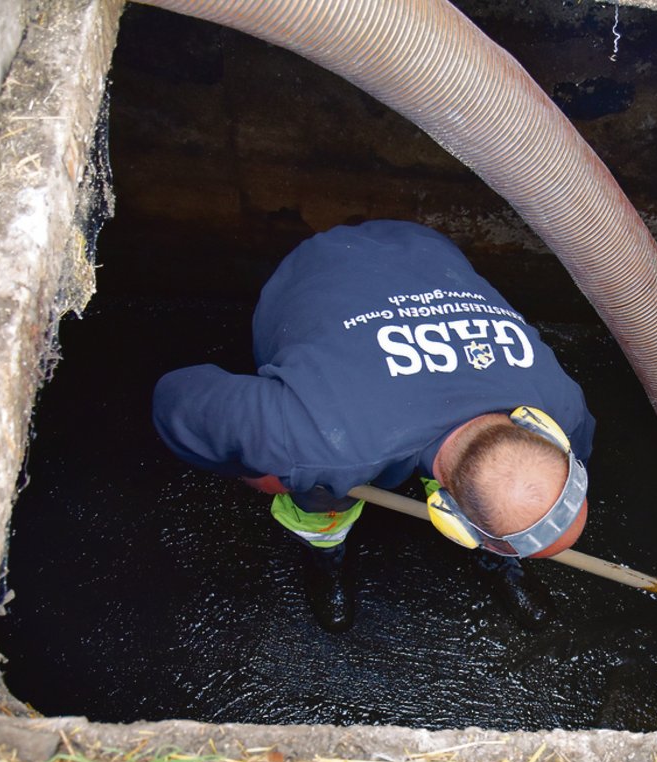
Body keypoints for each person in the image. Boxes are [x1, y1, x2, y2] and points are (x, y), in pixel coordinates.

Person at [152, 220, 595, 632]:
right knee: (322, 498)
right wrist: (255, 468)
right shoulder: (318, 441)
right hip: (314, 270)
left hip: (422, 247)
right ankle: (327, 555)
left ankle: (501, 555)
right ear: (449, 521)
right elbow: (178, 400)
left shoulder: (562, 404)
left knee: (483, 482)